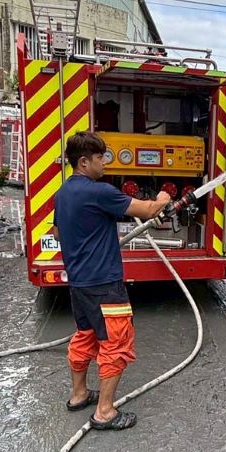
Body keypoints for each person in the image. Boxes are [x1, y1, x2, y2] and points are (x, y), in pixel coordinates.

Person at [52, 130, 171, 431]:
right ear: (83, 162)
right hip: (105, 284)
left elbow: (57, 233)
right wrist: (163, 197)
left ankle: (79, 394)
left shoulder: (63, 194)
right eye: (100, 158)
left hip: (79, 283)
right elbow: (147, 209)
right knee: (116, 344)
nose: (105, 163)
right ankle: (105, 411)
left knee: (85, 337)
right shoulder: (99, 191)